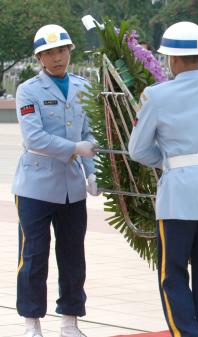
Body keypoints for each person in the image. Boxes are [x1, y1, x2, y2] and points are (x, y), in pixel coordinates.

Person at [128, 21, 198, 337]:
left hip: (178, 198)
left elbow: (137, 149)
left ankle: (188, 334)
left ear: (171, 59)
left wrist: (170, 163)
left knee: (174, 272)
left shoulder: (156, 95)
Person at [13, 24, 98, 337]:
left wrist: (91, 171)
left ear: (69, 51)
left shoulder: (82, 86)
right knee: (34, 255)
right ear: (39, 58)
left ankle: (69, 322)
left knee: (73, 256)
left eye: (61, 50)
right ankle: (31, 323)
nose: (57, 57)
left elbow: (88, 134)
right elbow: (34, 138)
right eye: (49, 52)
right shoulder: (28, 90)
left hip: (71, 188)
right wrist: (74, 149)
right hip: (36, 185)